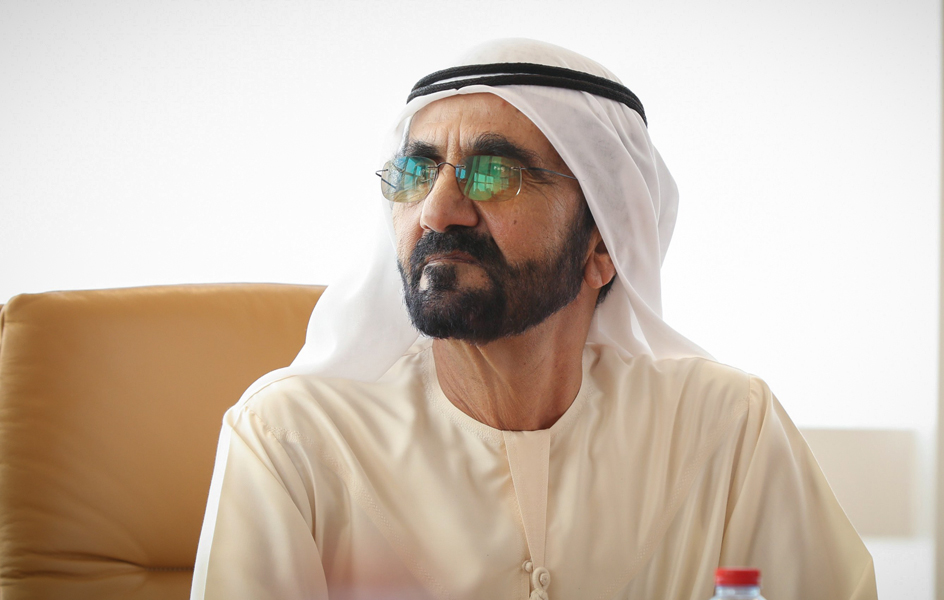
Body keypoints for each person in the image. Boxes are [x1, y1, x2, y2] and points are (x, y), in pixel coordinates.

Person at [191, 38, 876, 600]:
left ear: (603, 247)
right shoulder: (293, 439)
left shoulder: (726, 425)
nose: (437, 211)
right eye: (417, 174)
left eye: (494, 173)